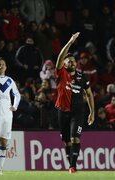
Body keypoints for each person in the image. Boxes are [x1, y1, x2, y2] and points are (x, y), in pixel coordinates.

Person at [55, 32, 95, 173]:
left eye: (73, 60)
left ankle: (73, 166)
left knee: (75, 138)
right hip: (62, 110)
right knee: (67, 141)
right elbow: (60, 57)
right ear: (64, 64)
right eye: (68, 61)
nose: (71, 62)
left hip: (78, 112)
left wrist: (92, 112)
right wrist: (70, 42)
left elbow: (89, 94)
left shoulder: (82, 76)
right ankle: (70, 164)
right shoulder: (60, 73)